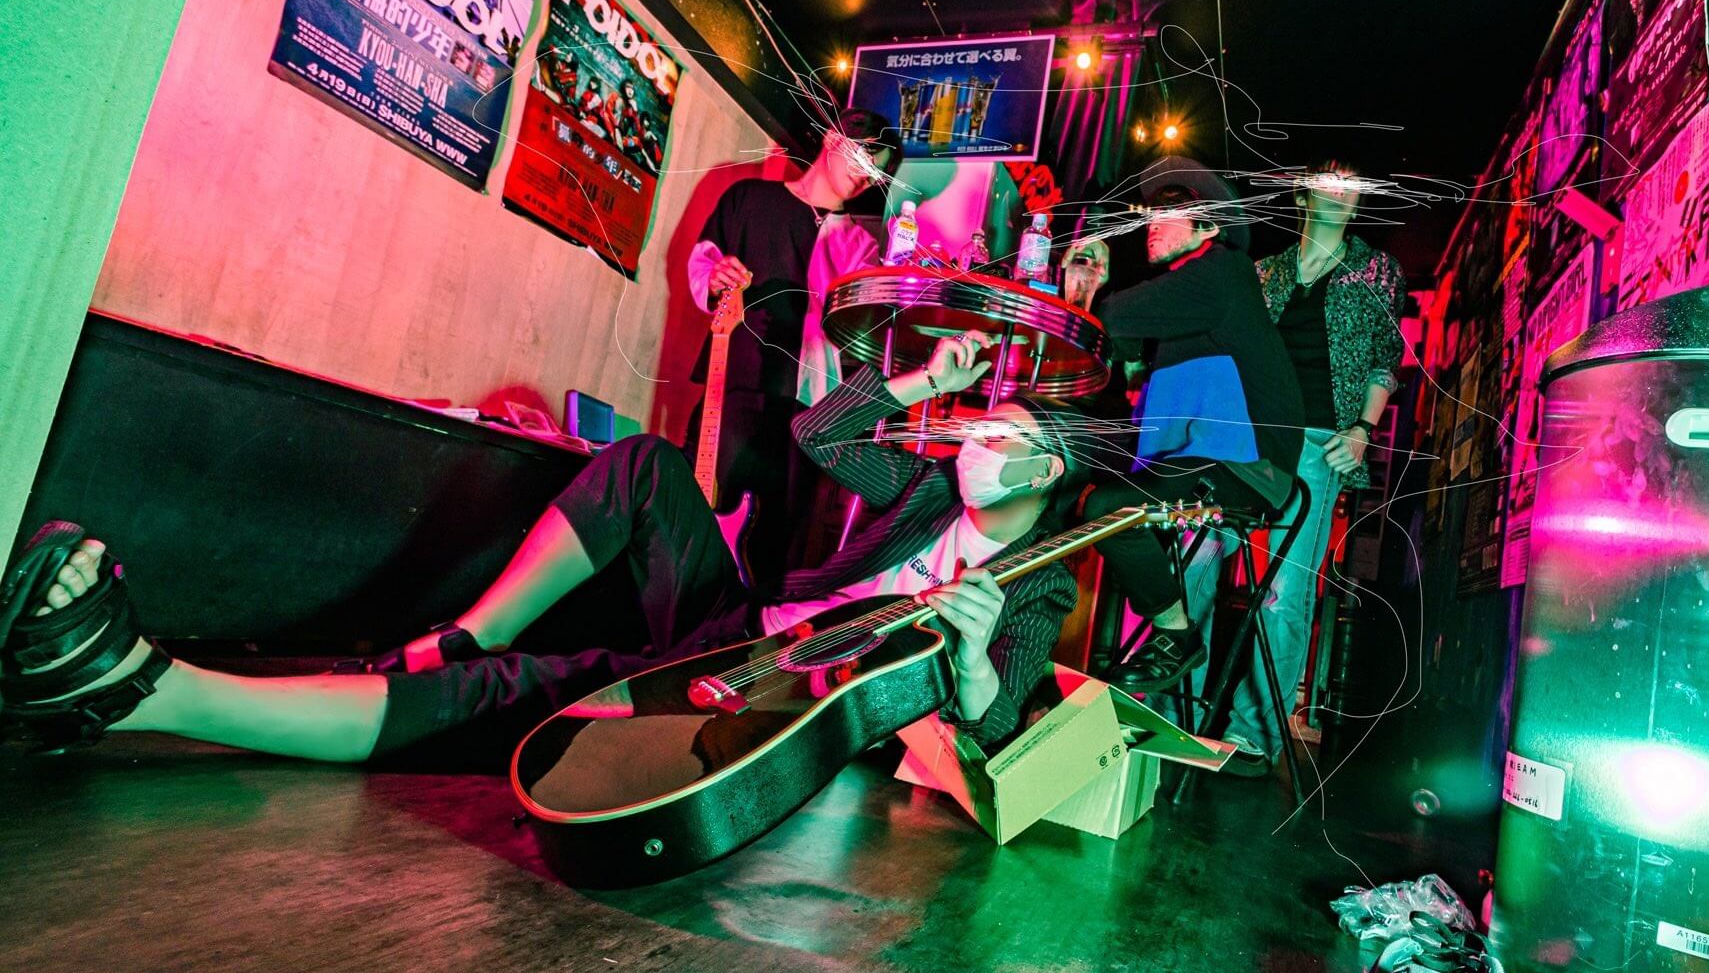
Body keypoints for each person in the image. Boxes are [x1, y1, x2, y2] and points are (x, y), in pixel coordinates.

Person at [0, 335, 1084, 766]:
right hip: (745, 620)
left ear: (1047, 472)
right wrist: (925, 380)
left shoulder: (1034, 589)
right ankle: (465, 632)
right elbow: (821, 434)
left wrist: (975, 660)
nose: (976, 443)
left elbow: (995, 732)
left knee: (516, 697)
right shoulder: (928, 491)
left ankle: (139, 691)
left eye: (1002, 437)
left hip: (773, 697)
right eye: (978, 424)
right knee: (646, 465)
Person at [1177, 162, 1406, 774]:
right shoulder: (1264, 272)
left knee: (1282, 591)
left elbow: (1384, 360)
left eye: (1352, 187)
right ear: (1304, 195)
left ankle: (1254, 735)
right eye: (1330, 182)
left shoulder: (1376, 270)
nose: (1342, 193)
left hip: (1316, 442)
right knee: (1193, 562)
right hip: (1243, 439)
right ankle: (1174, 712)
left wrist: (1363, 430)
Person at [1079, 158, 1304, 692]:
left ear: (1209, 225)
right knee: (1078, 498)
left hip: (1245, 469)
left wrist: (1094, 291)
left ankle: (1175, 634)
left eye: (1169, 212)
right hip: (1204, 463)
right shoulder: (1180, 300)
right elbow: (1106, 341)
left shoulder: (1224, 271)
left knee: (1104, 510)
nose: (1151, 223)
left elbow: (1110, 318)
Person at [685, 108, 899, 592]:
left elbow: (858, 328)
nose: (868, 174)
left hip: (807, 406)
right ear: (832, 137)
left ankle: (747, 631)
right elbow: (704, 262)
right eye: (866, 156)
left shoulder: (859, 245)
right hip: (735, 384)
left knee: (773, 545)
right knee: (701, 515)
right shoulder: (749, 197)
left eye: (878, 171)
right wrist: (716, 277)